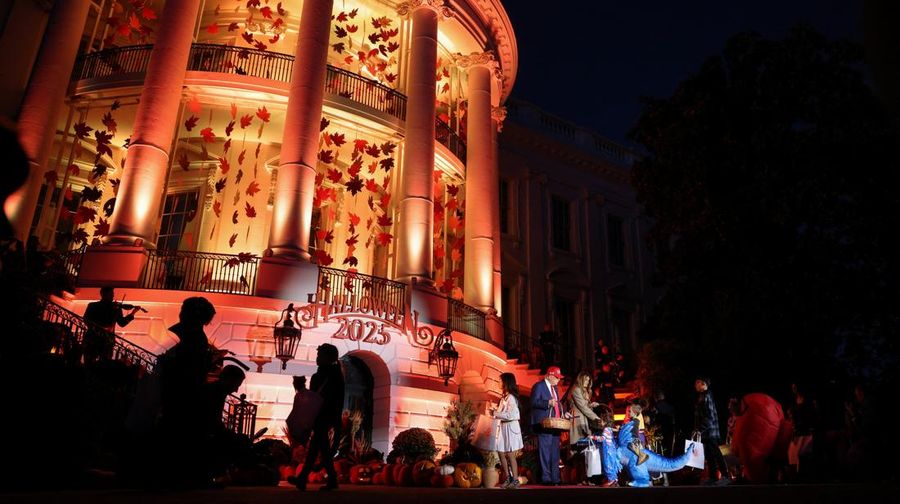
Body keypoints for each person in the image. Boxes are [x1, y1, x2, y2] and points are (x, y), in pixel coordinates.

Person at [156, 296, 217, 487]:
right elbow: (191, 364)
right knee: (185, 430)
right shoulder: (195, 336)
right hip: (186, 389)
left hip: (180, 388)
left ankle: (176, 474)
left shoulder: (191, 335)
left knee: (178, 429)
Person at [292, 344, 345, 491]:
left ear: (329, 358)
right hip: (323, 415)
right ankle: (328, 479)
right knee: (320, 446)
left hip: (324, 415)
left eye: (320, 355)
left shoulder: (329, 375)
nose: (317, 358)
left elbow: (322, 398)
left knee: (319, 445)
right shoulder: (331, 374)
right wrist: (301, 389)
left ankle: (303, 478)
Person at [82, 286, 140, 363]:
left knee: (104, 364)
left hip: (107, 341)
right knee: (90, 362)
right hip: (93, 339)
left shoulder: (116, 307)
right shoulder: (93, 305)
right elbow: (86, 319)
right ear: (103, 294)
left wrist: (133, 313)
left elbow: (122, 323)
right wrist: (101, 328)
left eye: (113, 294)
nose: (113, 296)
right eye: (111, 294)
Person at [530, 366, 563, 485]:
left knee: (555, 453)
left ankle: (555, 478)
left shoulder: (555, 389)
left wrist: (564, 414)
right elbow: (533, 402)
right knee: (545, 452)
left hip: (555, 424)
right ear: (549, 375)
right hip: (544, 424)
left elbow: (558, 405)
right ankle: (546, 478)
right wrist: (547, 403)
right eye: (556, 377)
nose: (558, 380)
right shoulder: (539, 386)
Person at [694, 377, 729, 485]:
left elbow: (709, 416)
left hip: (710, 431)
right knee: (709, 455)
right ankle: (713, 477)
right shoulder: (702, 396)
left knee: (716, 453)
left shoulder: (707, 396)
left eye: (697, 382)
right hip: (706, 431)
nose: (695, 385)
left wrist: (700, 428)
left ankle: (725, 476)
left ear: (704, 384)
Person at [491, 372, 524, 489]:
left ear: (506, 382)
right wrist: (494, 412)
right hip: (503, 427)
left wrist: (495, 413)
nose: (498, 382)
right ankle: (508, 477)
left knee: (510, 454)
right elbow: (500, 413)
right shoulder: (504, 398)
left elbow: (511, 415)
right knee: (500, 451)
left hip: (510, 427)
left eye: (500, 380)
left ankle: (515, 480)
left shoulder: (511, 398)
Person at [568, 371, 601, 445]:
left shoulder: (585, 391)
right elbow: (582, 407)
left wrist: (591, 405)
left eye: (588, 380)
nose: (587, 382)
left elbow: (584, 406)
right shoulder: (576, 389)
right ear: (580, 379)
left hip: (584, 418)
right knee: (577, 443)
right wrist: (596, 418)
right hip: (577, 419)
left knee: (585, 443)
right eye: (586, 380)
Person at [288, 376, 311, 448]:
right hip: (306, 425)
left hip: (300, 426)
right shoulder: (309, 394)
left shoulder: (299, 396)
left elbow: (296, 411)